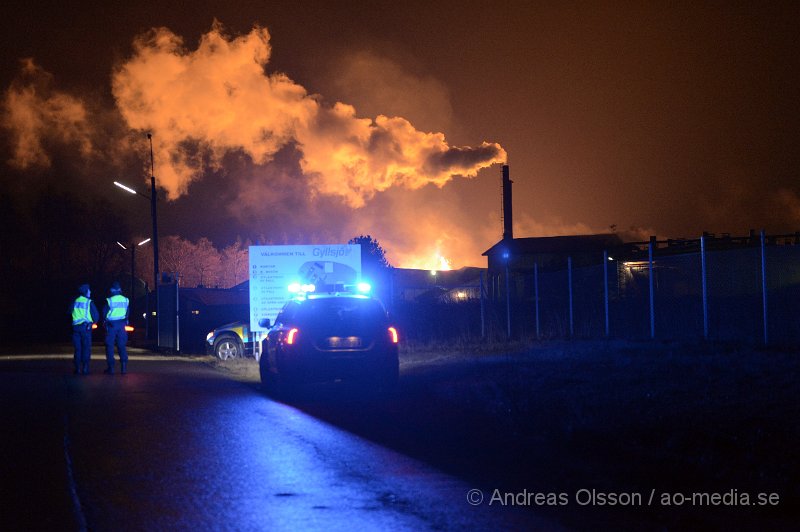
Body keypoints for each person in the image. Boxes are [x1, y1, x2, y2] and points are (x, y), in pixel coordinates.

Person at [102, 281, 130, 375]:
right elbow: (127, 312)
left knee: (109, 346)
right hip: (122, 325)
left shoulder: (110, 300)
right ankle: (124, 368)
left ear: (112, 290)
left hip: (111, 325)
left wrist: (105, 322)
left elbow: (104, 313)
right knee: (122, 345)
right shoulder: (125, 300)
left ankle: (111, 368)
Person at [71, 284, 98, 375]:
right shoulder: (89, 302)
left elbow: (68, 312)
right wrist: (92, 323)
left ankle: (77, 368)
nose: (90, 292)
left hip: (76, 329)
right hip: (86, 328)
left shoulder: (74, 301)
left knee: (77, 349)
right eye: (89, 290)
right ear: (86, 292)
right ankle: (85, 368)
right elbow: (96, 316)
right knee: (86, 348)